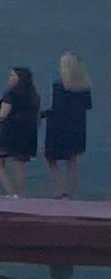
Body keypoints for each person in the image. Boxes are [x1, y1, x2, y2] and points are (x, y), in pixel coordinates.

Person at [43, 54, 92, 199]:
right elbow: (88, 106)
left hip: (59, 128)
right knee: (72, 160)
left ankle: (60, 190)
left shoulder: (59, 86)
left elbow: (58, 109)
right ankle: (71, 194)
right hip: (78, 127)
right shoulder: (84, 87)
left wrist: (42, 115)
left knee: (51, 159)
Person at [0, 65, 42, 196]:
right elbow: (37, 116)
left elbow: (3, 114)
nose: (10, 78)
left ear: (20, 78)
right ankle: (20, 194)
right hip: (27, 133)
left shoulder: (10, 93)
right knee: (20, 164)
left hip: (8, 132)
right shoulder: (34, 96)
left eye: (12, 76)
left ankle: (11, 191)